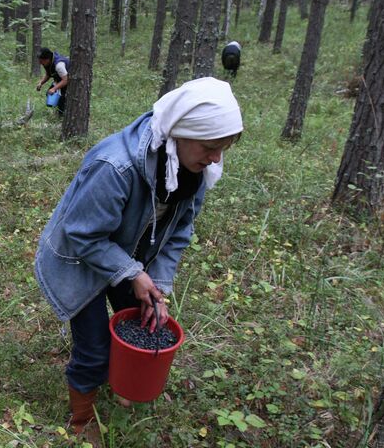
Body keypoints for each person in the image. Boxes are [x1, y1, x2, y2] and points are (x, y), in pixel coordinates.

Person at [34, 77, 243, 445]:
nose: (216, 159)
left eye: (222, 149)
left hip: (127, 256)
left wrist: (157, 283)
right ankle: (82, 420)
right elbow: (82, 235)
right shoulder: (115, 166)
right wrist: (132, 272)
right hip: (78, 260)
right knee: (94, 345)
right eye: (211, 147)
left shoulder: (191, 171)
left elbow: (178, 232)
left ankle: (123, 381)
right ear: (181, 132)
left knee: (147, 321)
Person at [36, 47, 70, 116]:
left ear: (47, 59)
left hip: (68, 80)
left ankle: (62, 116)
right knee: (49, 93)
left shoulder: (59, 65)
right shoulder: (47, 63)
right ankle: (58, 111)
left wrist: (54, 88)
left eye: (41, 61)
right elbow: (48, 74)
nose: (40, 63)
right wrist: (41, 83)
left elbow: (66, 80)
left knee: (62, 99)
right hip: (60, 79)